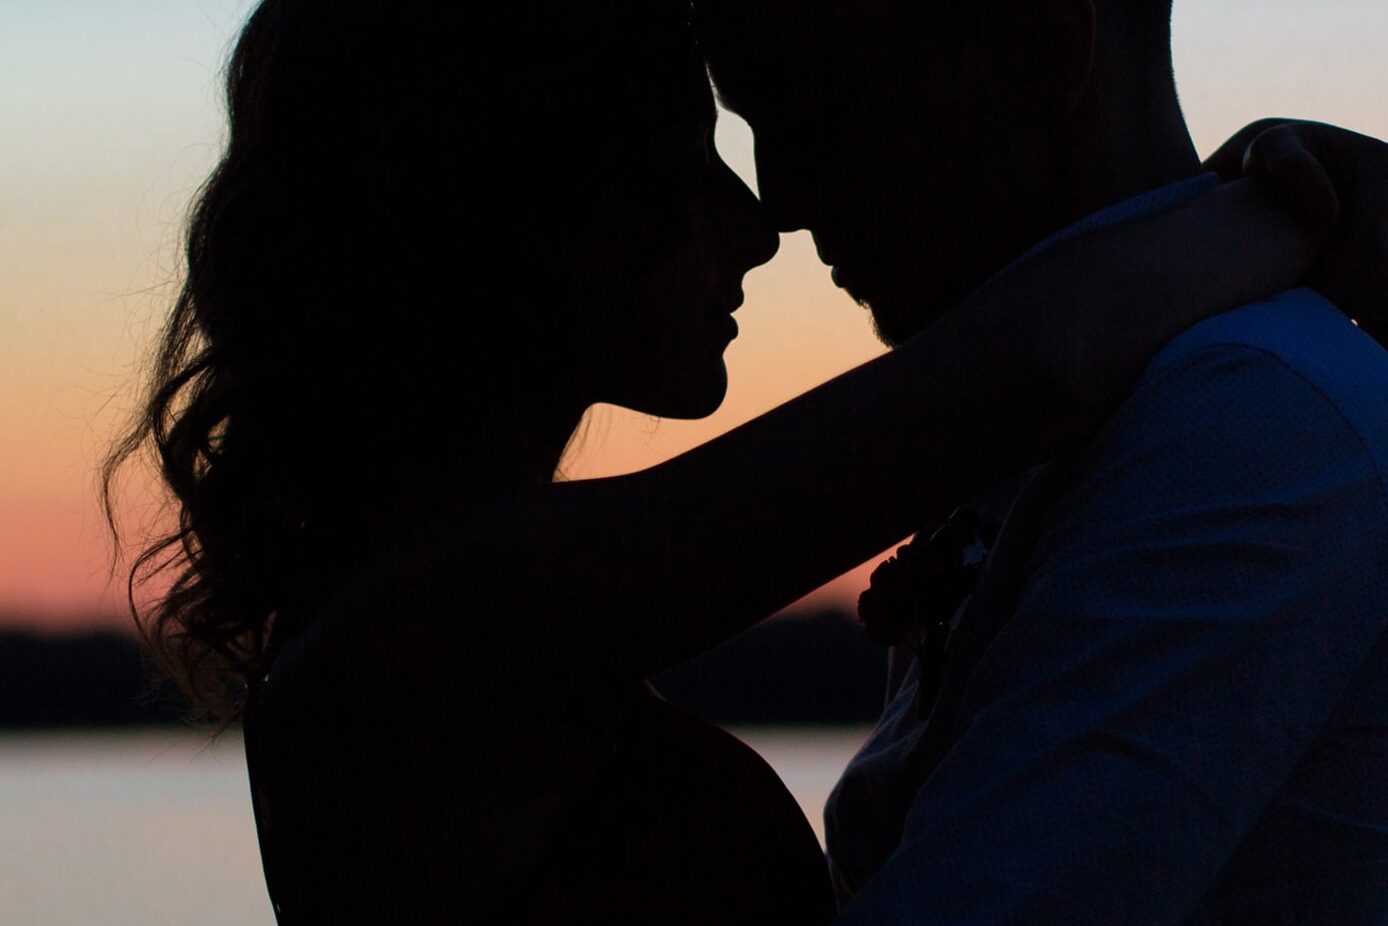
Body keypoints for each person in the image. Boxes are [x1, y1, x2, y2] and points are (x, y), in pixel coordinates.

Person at [99, 0, 1384, 922]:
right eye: (684, 156)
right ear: (522, 210)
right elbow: (1033, 359)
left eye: (800, 111)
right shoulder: (450, 615)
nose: (760, 212)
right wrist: (1281, 200)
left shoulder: (441, 604)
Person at [695, 0, 1388, 922]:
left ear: (1047, 46)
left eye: (815, 106)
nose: (778, 202)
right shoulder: (1047, 422)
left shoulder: (1245, 420)